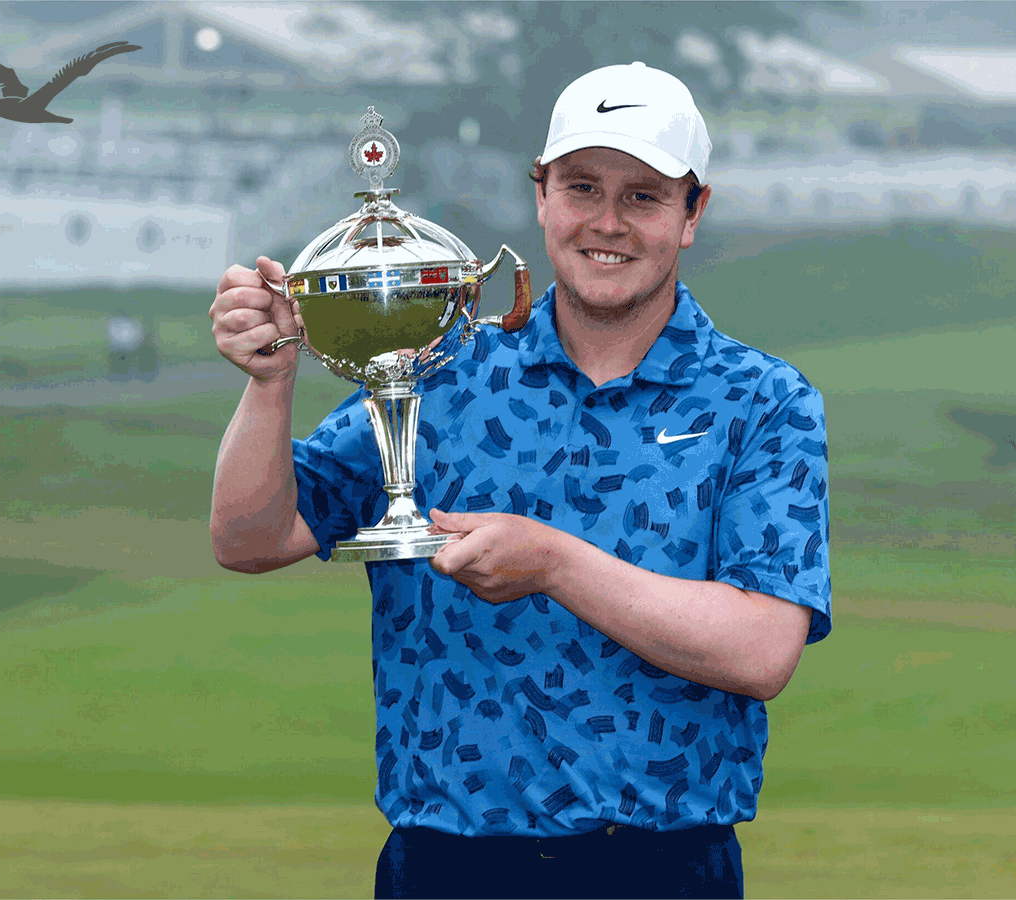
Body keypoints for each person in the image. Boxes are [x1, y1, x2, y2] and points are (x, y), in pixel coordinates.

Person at [209, 61, 831, 900]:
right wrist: (269, 382)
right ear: (540, 195)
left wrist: (553, 565)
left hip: (665, 866)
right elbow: (250, 538)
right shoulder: (438, 367)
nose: (607, 223)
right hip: (445, 865)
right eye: (582, 188)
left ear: (694, 213)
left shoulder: (762, 399)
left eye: (643, 196)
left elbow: (761, 650)